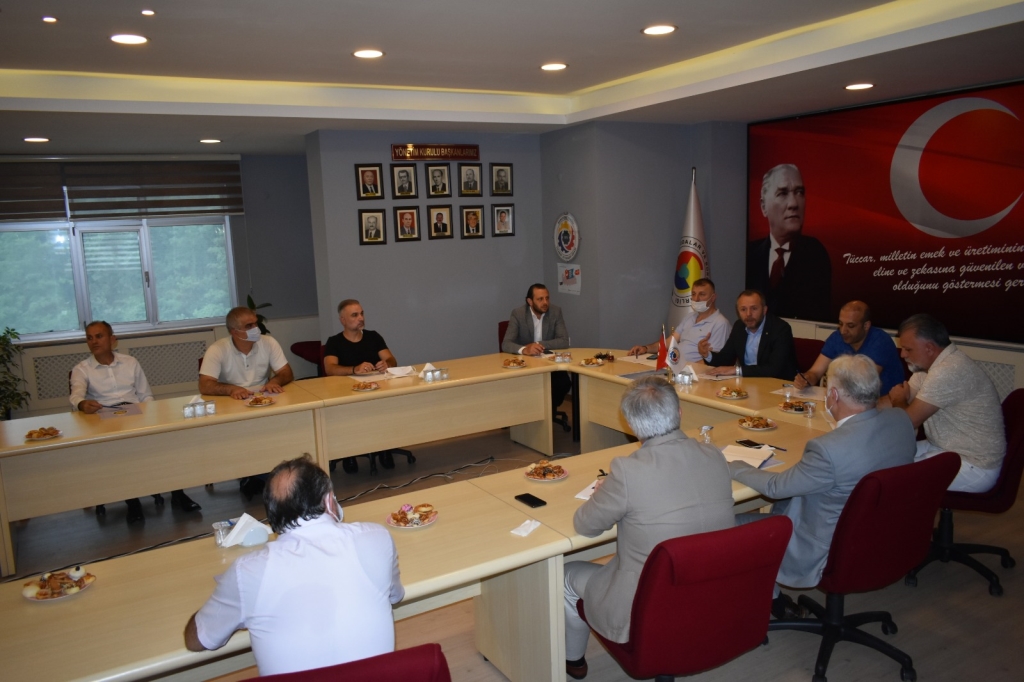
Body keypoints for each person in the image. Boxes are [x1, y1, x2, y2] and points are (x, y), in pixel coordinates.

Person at [562, 376, 734, 679]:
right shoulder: (715, 455)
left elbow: (584, 526)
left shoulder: (627, 471)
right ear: (679, 413)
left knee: (565, 574)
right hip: (712, 594)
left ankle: (573, 660)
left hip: (649, 605)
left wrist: (605, 493)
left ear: (630, 424)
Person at [730, 354, 916, 619]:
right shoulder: (901, 421)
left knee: (726, 521)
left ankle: (773, 601)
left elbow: (774, 487)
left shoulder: (829, 449)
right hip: (882, 536)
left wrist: (732, 464)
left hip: (827, 546)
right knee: (784, 504)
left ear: (833, 395)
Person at [185, 456, 404, 677]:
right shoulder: (376, 537)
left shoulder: (248, 571)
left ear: (272, 516)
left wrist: (232, 603)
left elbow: (197, 640)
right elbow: (395, 595)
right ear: (329, 501)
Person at [70, 321, 200, 521]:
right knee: (123, 452)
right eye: (89, 338)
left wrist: (152, 420)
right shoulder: (82, 369)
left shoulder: (130, 362)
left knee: (167, 445)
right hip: (105, 417)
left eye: (99, 336)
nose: (94, 341)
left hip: (135, 413)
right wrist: (82, 404)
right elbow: (76, 395)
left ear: (113, 339)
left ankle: (178, 494)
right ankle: (132, 502)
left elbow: (145, 395)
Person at [886, 314, 1005, 492]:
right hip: (945, 446)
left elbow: (908, 422)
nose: (902, 354)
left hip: (975, 464)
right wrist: (860, 408)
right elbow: (900, 398)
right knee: (884, 455)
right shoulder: (927, 368)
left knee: (889, 475)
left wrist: (898, 400)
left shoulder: (948, 371)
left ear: (929, 348)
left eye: (908, 349)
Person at [745, 163, 832, 321]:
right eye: (783, 193)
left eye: (799, 192)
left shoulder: (815, 254)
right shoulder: (750, 255)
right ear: (763, 206)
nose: (794, 204)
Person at [324, 299, 398, 472]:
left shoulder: (373, 337)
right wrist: (353, 369)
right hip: (346, 394)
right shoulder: (334, 342)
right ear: (343, 320)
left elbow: (392, 359)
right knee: (350, 415)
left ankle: (384, 448)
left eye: (362, 314)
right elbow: (330, 368)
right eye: (355, 315)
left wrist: (386, 364)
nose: (361, 318)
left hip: (376, 391)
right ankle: (349, 453)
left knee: (386, 409)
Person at [794, 301, 904, 395]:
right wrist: (807, 378)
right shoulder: (837, 337)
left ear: (866, 325)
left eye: (850, 326)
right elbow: (816, 372)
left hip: (885, 404)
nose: (843, 331)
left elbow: (863, 385)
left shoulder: (881, 341)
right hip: (852, 402)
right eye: (841, 324)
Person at [502, 283, 572, 412]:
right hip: (526, 364)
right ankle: (534, 412)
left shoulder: (555, 312)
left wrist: (539, 344)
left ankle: (547, 411)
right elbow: (506, 343)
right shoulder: (518, 314)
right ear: (530, 301)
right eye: (540, 299)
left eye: (547, 298)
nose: (545, 302)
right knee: (528, 386)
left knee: (563, 383)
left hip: (548, 362)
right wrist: (525, 349)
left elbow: (564, 341)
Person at [698, 289, 798, 378]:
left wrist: (737, 370)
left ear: (764, 310)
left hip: (778, 384)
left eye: (754, 308)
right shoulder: (739, 327)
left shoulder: (780, 329)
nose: (748, 314)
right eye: (743, 309)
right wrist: (707, 354)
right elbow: (725, 359)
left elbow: (774, 369)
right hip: (748, 383)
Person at [628, 277, 730, 363]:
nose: (696, 299)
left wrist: (684, 370)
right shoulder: (690, 317)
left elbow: (714, 360)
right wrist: (645, 348)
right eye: (693, 294)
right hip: (673, 365)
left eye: (702, 294)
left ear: (713, 297)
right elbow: (669, 342)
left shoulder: (720, 323)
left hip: (691, 373)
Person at [200, 307, 294, 400]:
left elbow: (286, 372)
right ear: (234, 332)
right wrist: (231, 389)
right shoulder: (217, 349)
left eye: (256, 323)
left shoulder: (269, 342)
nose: (255, 328)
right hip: (231, 398)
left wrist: (275, 382)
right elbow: (204, 385)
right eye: (249, 326)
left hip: (263, 396)